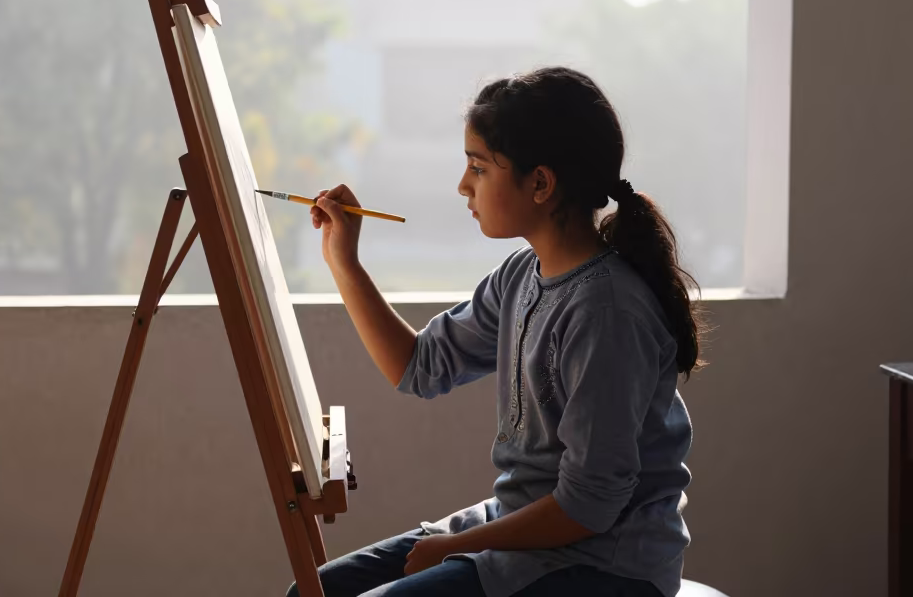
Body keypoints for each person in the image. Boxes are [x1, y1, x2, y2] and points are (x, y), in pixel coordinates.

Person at [287, 66, 704, 597]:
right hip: (525, 529)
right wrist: (344, 261)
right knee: (311, 592)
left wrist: (458, 545)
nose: (464, 185)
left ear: (541, 184)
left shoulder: (606, 312)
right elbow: (419, 367)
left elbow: (590, 504)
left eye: (479, 168)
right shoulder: (520, 276)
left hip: (605, 562)